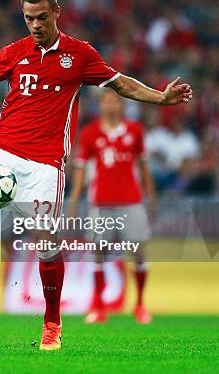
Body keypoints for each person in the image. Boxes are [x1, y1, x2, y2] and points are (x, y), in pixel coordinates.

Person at [0, 0, 191, 351]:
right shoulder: (14, 52)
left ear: (57, 13)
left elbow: (121, 84)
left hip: (45, 164)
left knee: (45, 242)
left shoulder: (80, 55)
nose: (36, 25)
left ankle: (52, 323)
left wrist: (161, 97)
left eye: (42, 17)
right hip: (2, 148)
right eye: (29, 18)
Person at [68, 90, 156, 324]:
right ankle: (98, 305)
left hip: (131, 201)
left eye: (114, 101)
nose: (110, 105)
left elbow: (144, 167)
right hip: (100, 202)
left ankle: (139, 304)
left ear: (121, 105)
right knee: (98, 253)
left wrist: (152, 196)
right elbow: (80, 170)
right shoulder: (89, 133)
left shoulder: (135, 131)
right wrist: (74, 201)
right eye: (106, 101)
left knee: (137, 252)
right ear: (100, 106)